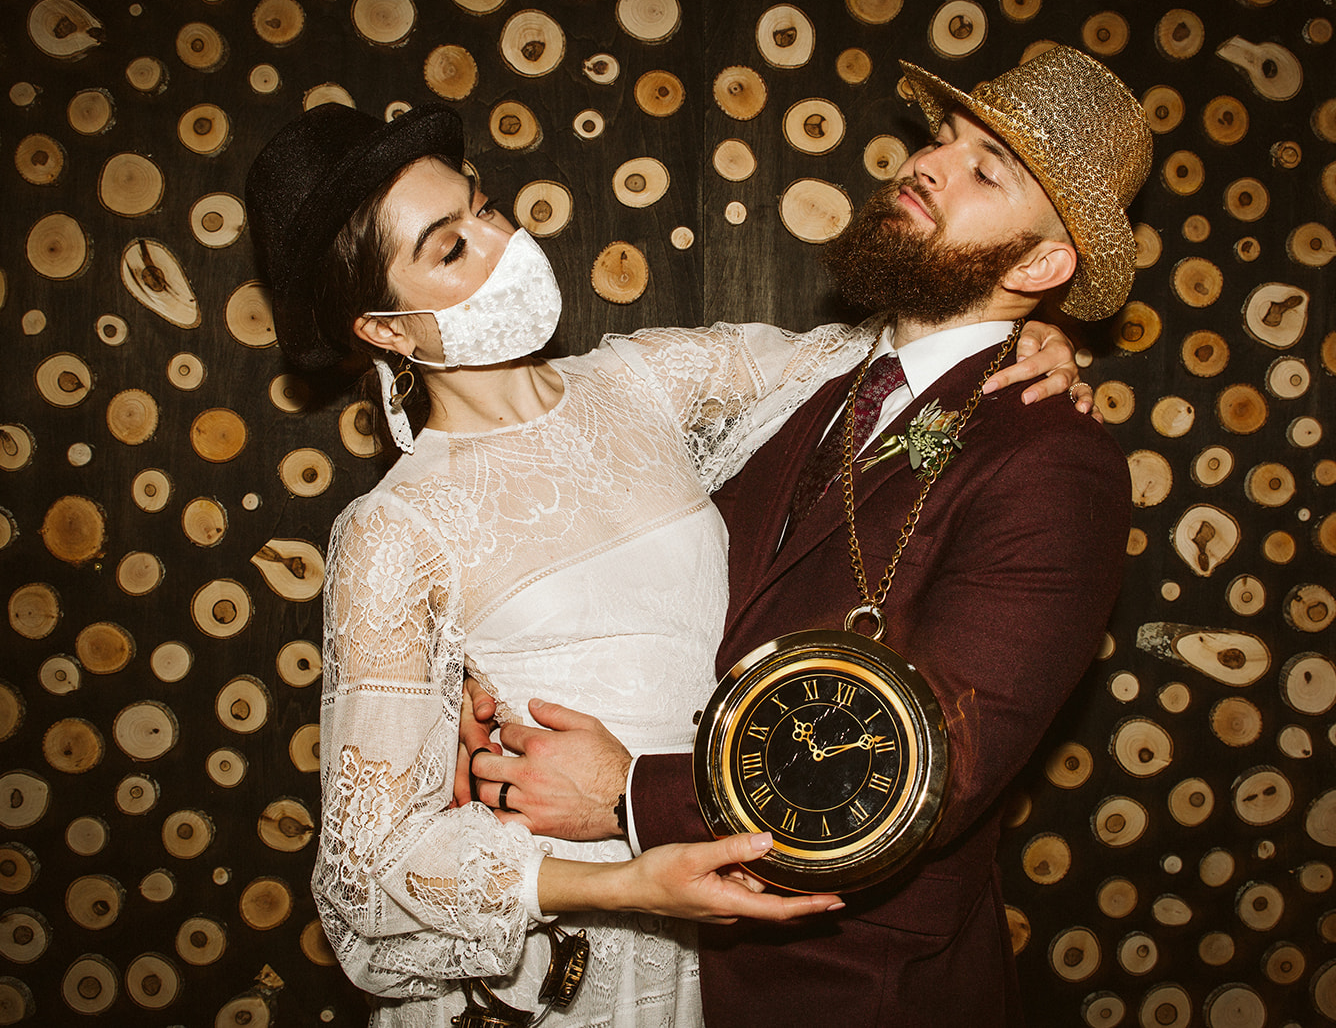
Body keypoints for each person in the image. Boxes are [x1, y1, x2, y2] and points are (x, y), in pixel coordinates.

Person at [244, 92, 1089, 1025]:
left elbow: (879, 362)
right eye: (448, 248)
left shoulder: (649, 380)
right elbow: (367, 884)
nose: (500, 242)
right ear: (387, 330)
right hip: (564, 954)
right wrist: (622, 883)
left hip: (726, 944)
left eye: (483, 206)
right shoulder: (394, 528)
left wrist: (1024, 329)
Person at [464, 46, 1150, 1026]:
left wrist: (628, 795)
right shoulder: (811, 392)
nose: (929, 163)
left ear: (1042, 263)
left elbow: (926, 775)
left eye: (985, 169)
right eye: (941, 139)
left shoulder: (1052, 461)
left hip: (855, 995)